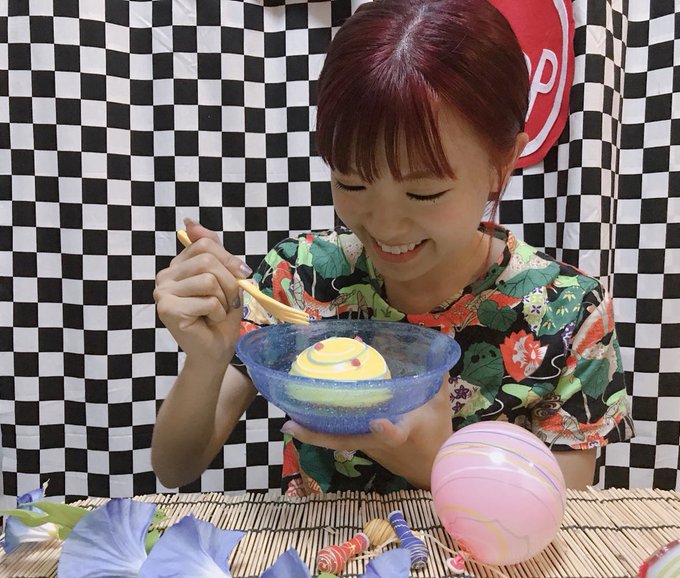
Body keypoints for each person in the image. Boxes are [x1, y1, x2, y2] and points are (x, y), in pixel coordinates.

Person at [152, 0, 634, 495]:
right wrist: (207, 357)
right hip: (318, 543)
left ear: (503, 162)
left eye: (423, 193)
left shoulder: (567, 310)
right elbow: (175, 466)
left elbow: (566, 509)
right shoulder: (300, 277)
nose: (384, 226)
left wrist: (433, 467)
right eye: (352, 184)